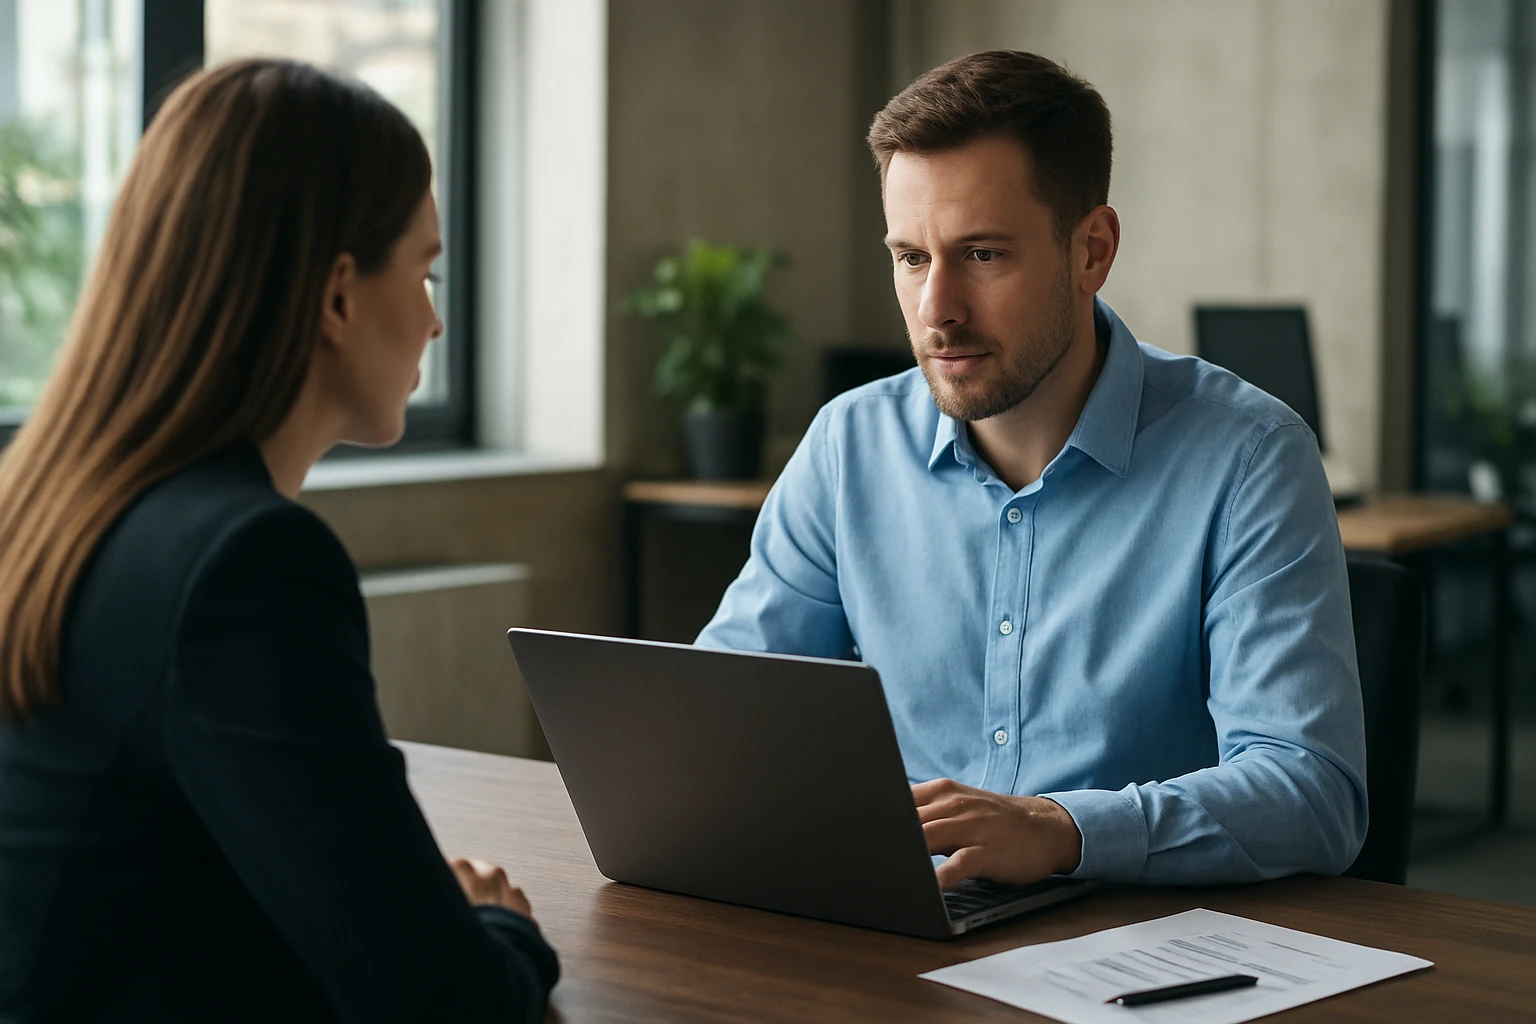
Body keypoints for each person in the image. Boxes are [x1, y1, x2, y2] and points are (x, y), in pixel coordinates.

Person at [697, 50, 1368, 890]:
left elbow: (1311, 792)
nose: (936, 309)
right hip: (907, 927)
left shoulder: (1248, 457)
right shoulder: (848, 445)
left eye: (981, 255)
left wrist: (1063, 830)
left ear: (1092, 251)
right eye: (911, 258)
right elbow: (723, 718)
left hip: (1138, 952)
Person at [0, 60, 557, 1021]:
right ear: (337, 297)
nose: (432, 320)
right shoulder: (243, 565)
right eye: (422, 273)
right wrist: (498, 924)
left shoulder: (48, 507)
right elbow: (445, 1005)